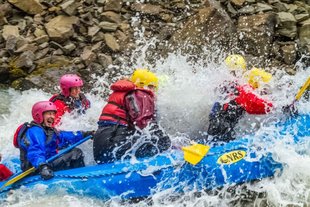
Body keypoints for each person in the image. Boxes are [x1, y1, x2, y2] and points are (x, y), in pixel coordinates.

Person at [93, 69, 171, 164]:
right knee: (161, 142)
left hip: (101, 153)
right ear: (143, 85)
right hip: (114, 150)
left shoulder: (124, 94)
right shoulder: (141, 95)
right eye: (152, 87)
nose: (154, 91)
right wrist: (169, 143)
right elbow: (146, 124)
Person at [14, 101, 93, 180]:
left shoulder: (48, 130)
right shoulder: (35, 131)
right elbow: (35, 151)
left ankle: (74, 175)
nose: (52, 117)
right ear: (38, 115)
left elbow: (65, 137)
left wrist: (85, 134)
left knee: (73, 150)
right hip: (36, 168)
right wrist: (42, 166)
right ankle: (81, 177)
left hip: (45, 163)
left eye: (53, 114)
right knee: (76, 153)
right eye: (49, 114)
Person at [207, 55, 273, 142]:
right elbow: (255, 105)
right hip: (223, 125)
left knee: (214, 136)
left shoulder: (222, 84)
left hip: (215, 123)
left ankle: (210, 143)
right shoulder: (240, 87)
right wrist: (276, 105)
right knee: (222, 134)